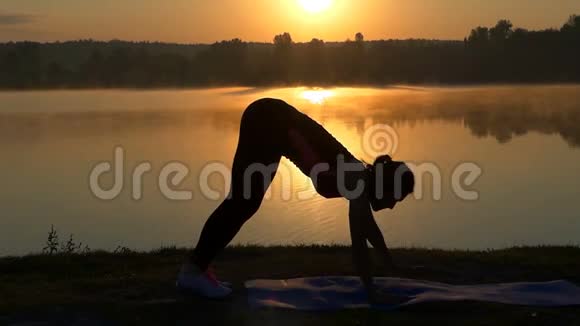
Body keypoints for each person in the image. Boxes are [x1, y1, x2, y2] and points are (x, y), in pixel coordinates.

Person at [177, 98, 415, 301]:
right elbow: (359, 243)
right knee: (243, 202)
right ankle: (193, 272)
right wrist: (371, 291)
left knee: (244, 202)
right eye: (396, 198)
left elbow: (368, 228)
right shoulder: (356, 180)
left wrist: (390, 264)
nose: (393, 205)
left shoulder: (359, 179)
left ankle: (199, 266)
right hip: (268, 120)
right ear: (387, 186)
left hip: (271, 123)